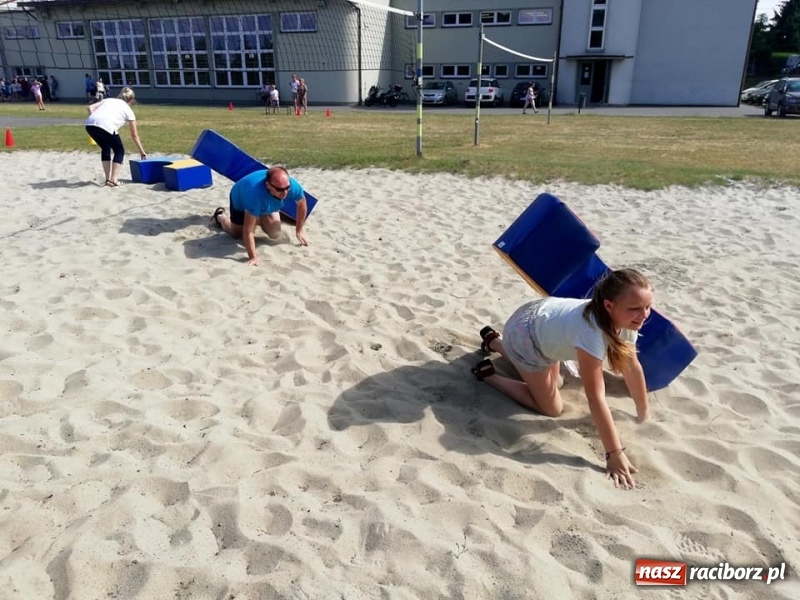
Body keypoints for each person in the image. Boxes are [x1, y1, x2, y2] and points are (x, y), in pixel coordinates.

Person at [472, 268, 653, 489]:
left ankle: (496, 343)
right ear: (608, 305)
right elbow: (595, 397)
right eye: (635, 309)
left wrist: (643, 413)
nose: (644, 315)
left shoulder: (626, 321)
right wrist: (614, 454)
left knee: (557, 383)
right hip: (527, 335)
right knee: (552, 408)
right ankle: (490, 376)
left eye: (647, 307)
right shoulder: (590, 333)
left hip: (541, 321)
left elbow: (632, 367)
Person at [209, 166, 309, 267]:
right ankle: (220, 217)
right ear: (268, 185)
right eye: (279, 189)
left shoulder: (292, 185)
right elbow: (248, 231)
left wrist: (299, 230)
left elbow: (302, 205)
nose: (285, 193)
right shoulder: (254, 195)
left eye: (287, 188)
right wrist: (253, 257)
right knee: (238, 234)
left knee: (275, 233)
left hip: (263, 203)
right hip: (240, 199)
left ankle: (258, 217)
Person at [85, 86, 147, 187]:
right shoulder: (129, 111)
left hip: (90, 125)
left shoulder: (108, 100)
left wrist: (96, 119)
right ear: (131, 100)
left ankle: (108, 179)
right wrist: (142, 152)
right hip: (106, 126)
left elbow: (90, 108)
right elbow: (134, 135)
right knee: (119, 151)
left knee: (105, 148)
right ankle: (114, 180)